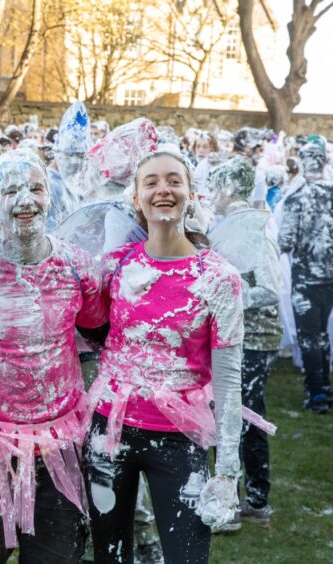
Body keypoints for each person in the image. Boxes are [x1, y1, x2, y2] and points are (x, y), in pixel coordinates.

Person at [83, 150, 244, 563]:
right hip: (108, 434)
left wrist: (227, 469)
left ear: (191, 194)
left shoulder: (219, 278)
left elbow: (228, 381)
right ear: (136, 197)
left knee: (187, 556)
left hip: (180, 440)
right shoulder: (114, 268)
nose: (163, 190)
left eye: (174, 180)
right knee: (109, 555)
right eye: (151, 182)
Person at [0, 150, 107, 563]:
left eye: (36, 188)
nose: (26, 201)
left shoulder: (78, 267)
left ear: (49, 197)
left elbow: (100, 331)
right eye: (11, 190)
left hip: (60, 444)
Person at [207, 158, 283, 529]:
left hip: (256, 339)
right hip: (235, 336)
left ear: (228, 188)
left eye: (213, 185)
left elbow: (272, 289)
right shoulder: (226, 226)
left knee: (242, 419)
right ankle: (246, 499)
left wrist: (232, 295)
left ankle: (246, 503)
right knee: (233, 418)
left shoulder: (254, 228)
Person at [278, 142, 333, 414]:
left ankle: (317, 393)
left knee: (310, 336)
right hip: (329, 276)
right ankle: (322, 386)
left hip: (307, 279)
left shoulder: (297, 198)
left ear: (301, 163)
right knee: (322, 333)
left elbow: (285, 240)